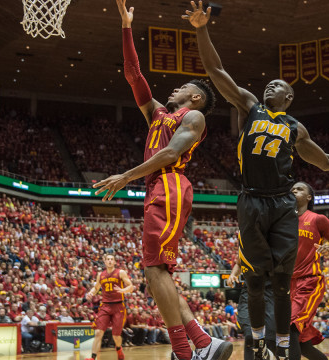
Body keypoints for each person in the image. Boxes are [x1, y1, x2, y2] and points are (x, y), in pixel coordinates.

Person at [183, 3, 329, 359]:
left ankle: (281, 345)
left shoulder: (296, 128)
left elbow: (327, 161)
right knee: (255, 279)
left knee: (281, 279)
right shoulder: (250, 106)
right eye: (269, 82)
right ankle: (260, 342)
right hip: (250, 198)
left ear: (289, 97)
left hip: (280, 201)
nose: (270, 84)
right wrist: (202, 29)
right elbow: (216, 70)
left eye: (278, 84)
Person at [94, 2, 229, 360]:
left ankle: (183, 352)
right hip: (158, 186)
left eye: (182, 87)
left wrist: (125, 176)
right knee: (160, 273)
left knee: (154, 269)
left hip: (168, 182)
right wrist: (125, 26)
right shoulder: (158, 113)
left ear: (195, 97)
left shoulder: (194, 115)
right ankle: (203, 343)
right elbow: (133, 74)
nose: (174, 91)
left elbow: (170, 154)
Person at [288, 182, 329, 360]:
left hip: (309, 281)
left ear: (309, 197)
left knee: (290, 328)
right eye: (292, 189)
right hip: (287, 284)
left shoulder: (317, 219)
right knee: (302, 344)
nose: (294, 191)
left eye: (299, 189)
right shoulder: (282, 221)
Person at [85, 254, 135, 360]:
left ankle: (118, 348)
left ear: (115, 262)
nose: (110, 261)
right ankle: (92, 358)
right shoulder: (100, 274)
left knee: (116, 336)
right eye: (108, 259)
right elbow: (96, 287)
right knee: (98, 332)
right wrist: (90, 293)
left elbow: (131, 286)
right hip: (105, 306)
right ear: (105, 261)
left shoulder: (120, 272)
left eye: (112, 259)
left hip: (118, 306)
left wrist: (124, 290)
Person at [227, 256, 275, 360]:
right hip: (249, 292)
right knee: (249, 335)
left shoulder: (276, 243)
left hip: (270, 291)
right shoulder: (246, 243)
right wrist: (233, 274)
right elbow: (239, 264)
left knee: (270, 338)